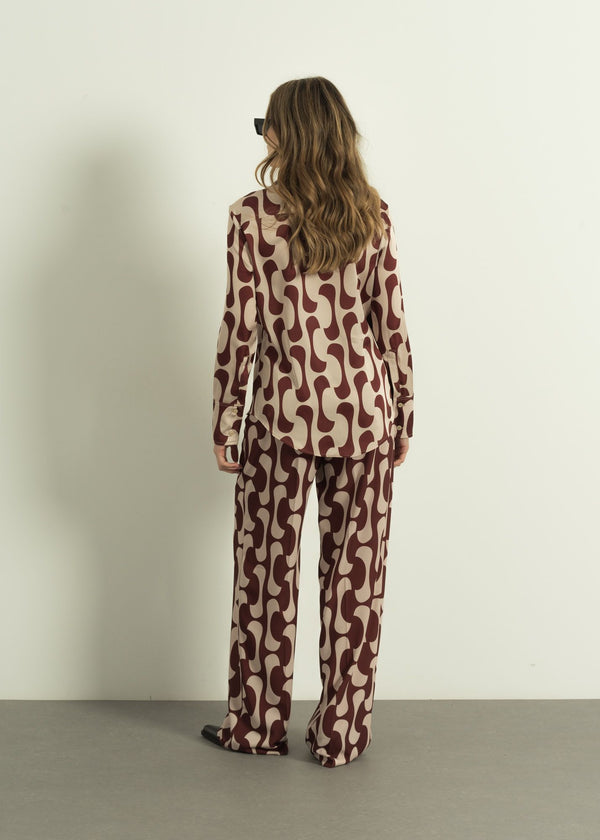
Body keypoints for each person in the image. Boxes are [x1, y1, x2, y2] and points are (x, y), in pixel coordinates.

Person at [202, 76, 414, 768]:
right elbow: (391, 322)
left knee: (265, 577)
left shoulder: (252, 217)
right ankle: (341, 735)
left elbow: (240, 329)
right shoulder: (372, 211)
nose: (262, 134)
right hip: (365, 418)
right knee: (356, 586)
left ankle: (256, 725)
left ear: (285, 134)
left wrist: (225, 420)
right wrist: (404, 413)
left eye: (265, 122)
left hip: (280, 420)